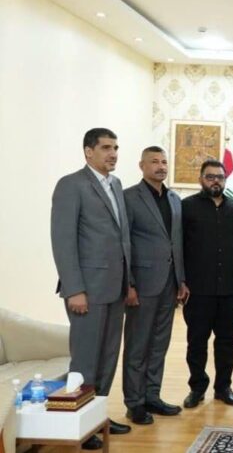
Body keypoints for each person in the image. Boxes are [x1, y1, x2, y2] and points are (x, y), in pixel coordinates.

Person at [50, 127, 132, 450]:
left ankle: (97, 417)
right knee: (85, 360)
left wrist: (129, 283)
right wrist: (74, 289)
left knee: (108, 358)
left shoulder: (116, 184)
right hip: (87, 290)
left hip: (115, 288)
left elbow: (122, 239)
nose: (113, 154)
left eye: (116, 148)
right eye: (106, 148)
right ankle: (80, 426)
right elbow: (63, 241)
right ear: (88, 151)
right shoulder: (71, 185)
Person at [122, 146, 188, 424]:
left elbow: (176, 242)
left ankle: (152, 396)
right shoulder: (128, 197)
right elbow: (124, 243)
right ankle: (134, 402)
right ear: (142, 165)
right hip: (142, 284)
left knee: (159, 345)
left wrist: (181, 279)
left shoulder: (174, 198)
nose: (161, 166)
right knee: (138, 346)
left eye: (164, 162)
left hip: (169, 285)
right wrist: (129, 284)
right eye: (154, 162)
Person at [181, 160, 233, 408]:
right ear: (201, 179)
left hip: (229, 288)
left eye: (220, 177)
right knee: (197, 341)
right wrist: (181, 281)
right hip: (198, 289)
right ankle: (197, 388)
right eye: (210, 176)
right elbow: (179, 246)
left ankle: (223, 387)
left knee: (226, 341)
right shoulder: (187, 207)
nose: (215, 181)